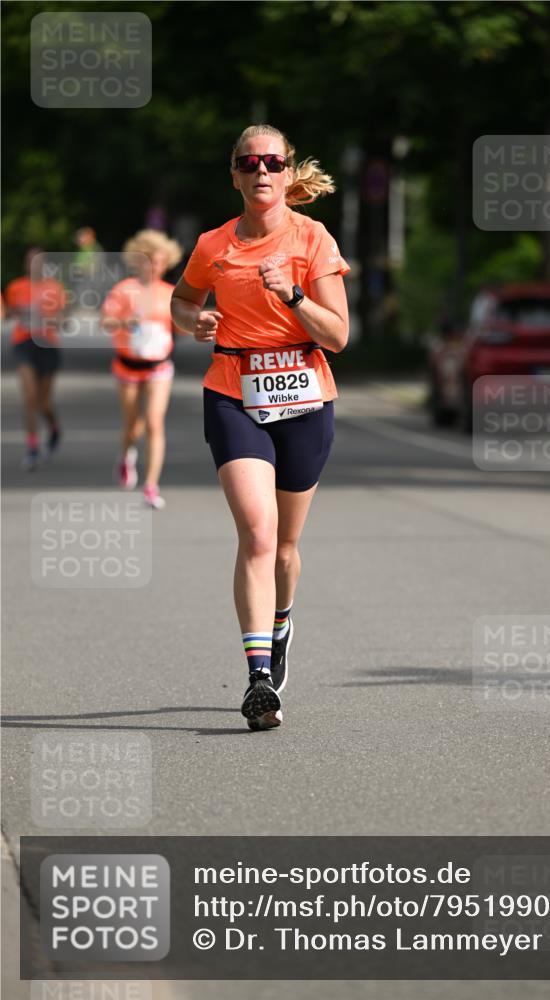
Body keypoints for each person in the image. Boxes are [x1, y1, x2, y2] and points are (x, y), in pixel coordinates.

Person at [171, 124, 350, 731]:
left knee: (286, 547)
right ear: (235, 175)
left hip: (304, 397)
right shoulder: (213, 244)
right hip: (233, 392)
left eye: (272, 162)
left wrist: (293, 295)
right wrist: (193, 322)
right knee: (256, 534)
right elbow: (182, 300)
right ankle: (257, 680)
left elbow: (339, 336)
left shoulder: (312, 238)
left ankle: (281, 623)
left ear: (287, 169)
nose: (262, 172)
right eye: (250, 163)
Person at [101, 229, 184, 509]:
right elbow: (106, 322)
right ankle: (126, 455)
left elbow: (180, 325)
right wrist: (125, 323)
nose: (154, 265)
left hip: (158, 367)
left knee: (154, 421)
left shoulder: (170, 293)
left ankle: (150, 485)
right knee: (133, 424)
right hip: (127, 365)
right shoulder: (124, 290)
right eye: (149, 259)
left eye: (160, 261)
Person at [4, 248, 67, 470]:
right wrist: (17, 313)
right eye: (30, 261)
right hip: (24, 343)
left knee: (44, 403)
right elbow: (7, 313)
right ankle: (32, 448)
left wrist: (49, 318)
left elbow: (64, 320)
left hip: (48, 344)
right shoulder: (16, 287)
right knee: (30, 397)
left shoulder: (54, 288)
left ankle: (54, 429)